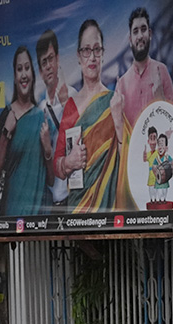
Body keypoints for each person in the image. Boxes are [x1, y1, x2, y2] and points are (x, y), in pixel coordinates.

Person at [53, 19, 125, 212]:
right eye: (86, 50)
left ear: (103, 54)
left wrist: (118, 122)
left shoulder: (114, 101)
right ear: (78, 56)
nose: (92, 57)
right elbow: (57, 166)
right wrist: (69, 162)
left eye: (97, 49)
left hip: (111, 208)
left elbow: (127, 160)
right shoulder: (71, 106)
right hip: (78, 209)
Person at [0, 46, 54, 216]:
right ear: (15, 77)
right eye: (19, 69)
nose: (24, 74)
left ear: (32, 74)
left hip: (40, 220)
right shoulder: (7, 114)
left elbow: (51, 180)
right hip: (12, 215)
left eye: (27, 68)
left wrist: (48, 149)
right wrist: (6, 133)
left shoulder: (43, 117)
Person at [114, 6, 173, 132]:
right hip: (131, 151)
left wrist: (160, 99)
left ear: (150, 34)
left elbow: (172, 123)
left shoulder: (162, 71)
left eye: (143, 29)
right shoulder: (121, 84)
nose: (140, 35)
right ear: (130, 40)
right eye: (135, 31)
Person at [35, 30, 77, 210]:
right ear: (40, 70)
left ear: (58, 59)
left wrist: (66, 105)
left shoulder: (75, 96)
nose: (48, 66)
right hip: (50, 204)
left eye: (51, 59)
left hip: (74, 199)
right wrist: (46, 150)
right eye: (44, 62)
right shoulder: (39, 111)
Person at [150, 132, 173, 201]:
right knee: (159, 191)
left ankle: (164, 199)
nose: (160, 147)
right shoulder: (157, 158)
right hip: (159, 178)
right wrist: (155, 169)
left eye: (162, 145)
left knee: (164, 190)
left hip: (165, 178)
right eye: (159, 145)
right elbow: (153, 166)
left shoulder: (167, 157)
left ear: (166, 147)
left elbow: (171, 164)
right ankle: (160, 199)